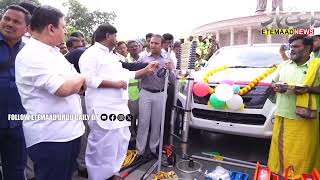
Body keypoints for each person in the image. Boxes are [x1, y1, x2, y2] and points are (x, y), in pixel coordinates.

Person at [15, 6, 86, 180]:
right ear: (51, 28)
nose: (65, 31)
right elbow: (62, 88)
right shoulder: (32, 54)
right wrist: (83, 77)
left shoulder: (53, 52)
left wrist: (77, 82)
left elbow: (75, 83)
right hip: (51, 138)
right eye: (63, 26)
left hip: (68, 132)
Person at [79, 24, 158, 180]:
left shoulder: (111, 56)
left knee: (120, 141)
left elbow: (124, 73)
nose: (116, 39)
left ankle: (111, 173)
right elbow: (88, 79)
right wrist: (115, 84)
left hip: (119, 107)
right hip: (103, 108)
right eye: (115, 36)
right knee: (103, 145)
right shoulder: (90, 54)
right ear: (108, 35)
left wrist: (145, 71)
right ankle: (98, 177)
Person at [268, 34, 320, 178]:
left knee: (304, 153)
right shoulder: (284, 65)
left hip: (306, 117)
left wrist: (307, 89)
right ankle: (282, 174)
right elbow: (273, 83)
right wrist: (276, 87)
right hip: (283, 115)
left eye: (296, 46)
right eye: (291, 47)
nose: (292, 50)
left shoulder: (316, 65)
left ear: (308, 48)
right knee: (281, 151)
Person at [0, 5, 30, 180]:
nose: (9, 23)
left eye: (16, 21)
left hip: (18, 124)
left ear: (26, 28)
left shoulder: (29, 52)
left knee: (16, 171)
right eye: (6, 18)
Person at [136, 34, 175, 159]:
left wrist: (171, 70)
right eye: (151, 43)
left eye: (156, 43)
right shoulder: (142, 58)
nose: (153, 45)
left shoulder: (168, 59)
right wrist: (145, 71)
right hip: (145, 93)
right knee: (142, 122)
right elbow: (135, 74)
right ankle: (139, 151)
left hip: (161, 93)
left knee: (157, 123)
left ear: (162, 44)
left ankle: (153, 149)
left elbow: (173, 80)